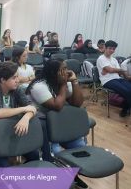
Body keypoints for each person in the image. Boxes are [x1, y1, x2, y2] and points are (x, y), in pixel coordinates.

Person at [26, 59, 87, 188]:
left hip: (60, 124)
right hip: (41, 125)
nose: (66, 72)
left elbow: (77, 103)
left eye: (66, 68)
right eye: (62, 70)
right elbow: (57, 106)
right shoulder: (39, 86)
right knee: (56, 151)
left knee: (80, 145)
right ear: (53, 73)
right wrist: (64, 84)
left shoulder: (62, 82)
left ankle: (73, 175)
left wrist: (74, 82)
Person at [0, 61, 38, 167]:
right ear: (3, 80)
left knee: (34, 154)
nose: (18, 80)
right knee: (4, 166)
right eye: (14, 78)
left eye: (17, 77)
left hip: (11, 131)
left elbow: (32, 107)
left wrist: (26, 118)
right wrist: (24, 109)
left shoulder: (16, 89)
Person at [97, 40, 131, 117]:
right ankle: (125, 109)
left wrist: (112, 70)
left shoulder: (114, 59)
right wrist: (112, 70)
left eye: (114, 49)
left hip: (117, 78)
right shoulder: (101, 58)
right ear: (105, 47)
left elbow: (118, 71)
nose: (112, 50)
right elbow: (111, 70)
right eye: (110, 48)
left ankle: (126, 107)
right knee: (127, 92)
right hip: (107, 81)